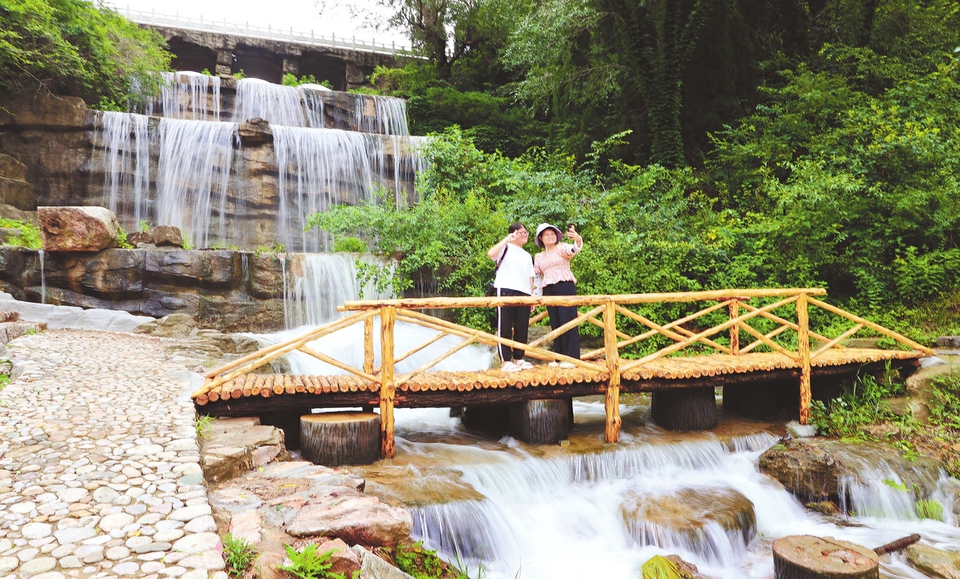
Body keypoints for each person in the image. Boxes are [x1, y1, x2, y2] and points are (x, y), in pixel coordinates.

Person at [534, 222, 583, 368]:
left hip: (564, 285)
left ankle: (572, 358)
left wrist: (578, 239)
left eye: (552, 234)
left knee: (567, 321)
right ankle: (559, 357)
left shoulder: (561, 248)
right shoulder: (538, 256)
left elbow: (574, 249)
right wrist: (535, 296)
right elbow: (537, 277)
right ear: (541, 238)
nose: (550, 237)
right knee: (556, 322)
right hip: (548, 289)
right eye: (546, 234)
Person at [487, 222, 535, 373]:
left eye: (526, 233)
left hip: (524, 292)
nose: (524, 235)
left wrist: (532, 296)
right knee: (505, 326)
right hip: (506, 289)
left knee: (522, 327)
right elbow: (491, 254)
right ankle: (505, 361)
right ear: (513, 234)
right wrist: (507, 239)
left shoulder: (527, 255)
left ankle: (519, 358)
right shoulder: (505, 248)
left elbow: (530, 277)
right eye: (521, 233)